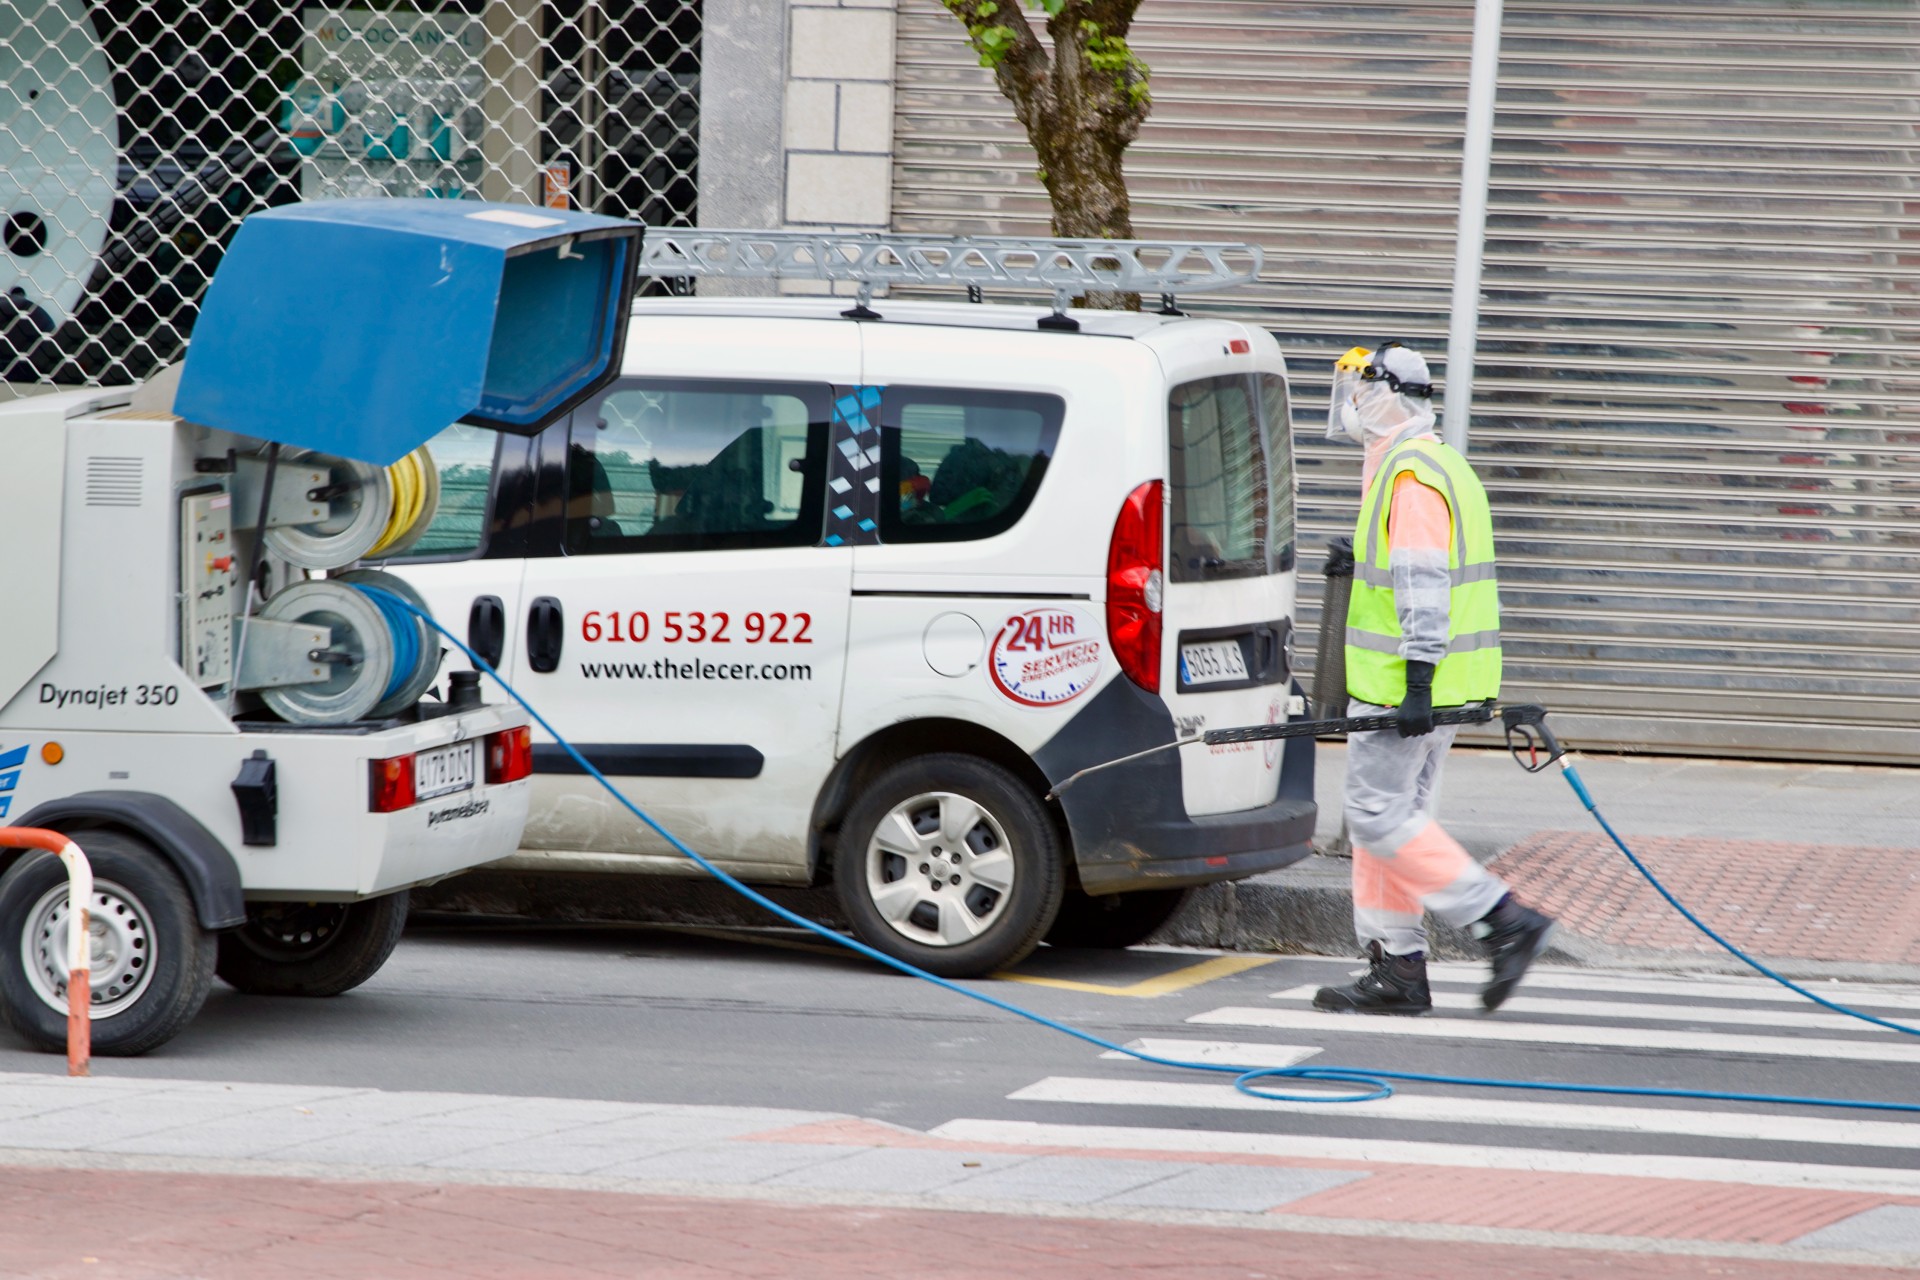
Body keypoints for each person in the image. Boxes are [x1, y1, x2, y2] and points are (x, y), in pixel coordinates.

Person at [1313, 342, 1555, 1015]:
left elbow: (1424, 583)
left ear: (1389, 395)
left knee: (1374, 811)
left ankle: (1504, 920)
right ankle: (1398, 968)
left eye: (1361, 392)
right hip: (1435, 684)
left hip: (1409, 685)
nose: (1353, 407)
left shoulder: (1411, 476)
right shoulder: (1436, 464)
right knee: (1394, 821)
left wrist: (1416, 681)